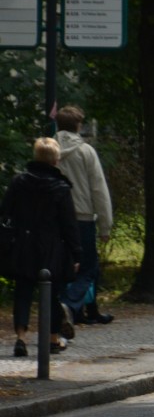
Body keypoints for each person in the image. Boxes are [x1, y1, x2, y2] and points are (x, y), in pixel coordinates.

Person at [0, 137, 82, 357]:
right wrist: (76, 253)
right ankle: (52, 338)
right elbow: (69, 223)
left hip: (24, 244)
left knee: (23, 292)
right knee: (51, 293)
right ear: (55, 159)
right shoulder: (60, 187)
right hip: (52, 246)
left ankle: (20, 337)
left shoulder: (19, 182)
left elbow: (5, 212)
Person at [54, 105, 115, 326]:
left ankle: (87, 310)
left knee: (61, 264)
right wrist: (105, 225)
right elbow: (98, 189)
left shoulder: (49, 148)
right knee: (89, 267)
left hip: (55, 218)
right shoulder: (86, 151)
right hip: (82, 217)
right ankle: (69, 306)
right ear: (78, 125)